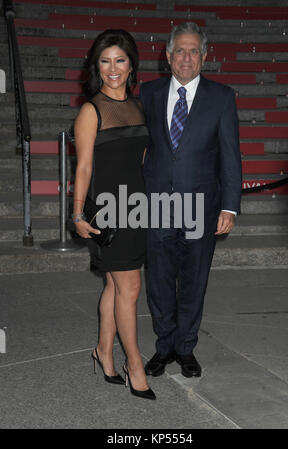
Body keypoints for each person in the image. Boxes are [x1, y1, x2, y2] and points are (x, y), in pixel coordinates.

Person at [139, 22, 242, 378]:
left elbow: (230, 155)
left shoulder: (222, 97)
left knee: (194, 279)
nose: (186, 57)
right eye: (179, 50)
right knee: (159, 280)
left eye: (193, 50)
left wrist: (230, 205)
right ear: (167, 55)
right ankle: (164, 345)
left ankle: (185, 348)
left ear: (204, 55)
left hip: (202, 206)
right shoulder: (147, 93)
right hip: (156, 206)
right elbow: (137, 147)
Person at [72, 29, 155, 400]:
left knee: (114, 285)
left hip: (136, 208)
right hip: (107, 210)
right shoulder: (91, 110)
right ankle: (134, 364)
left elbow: (139, 161)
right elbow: (85, 167)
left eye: (120, 60)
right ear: (96, 66)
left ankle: (103, 352)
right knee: (131, 287)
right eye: (105, 61)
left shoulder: (139, 107)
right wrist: (77, 215)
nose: (112, 68)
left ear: (132, 64)